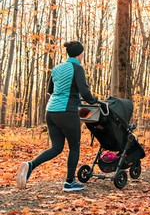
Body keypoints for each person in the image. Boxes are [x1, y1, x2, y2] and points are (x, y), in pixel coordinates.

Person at [16, 41, 98, 191]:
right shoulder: (77, 68)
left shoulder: (56, 69)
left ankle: (30, 165)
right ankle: (69, 182)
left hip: (51, 111)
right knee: (74, 147)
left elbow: (50, 90)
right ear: (80, 54)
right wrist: (96, 102)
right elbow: (85, 92)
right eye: (83, 53)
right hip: (67, 111)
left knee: (57, 147)